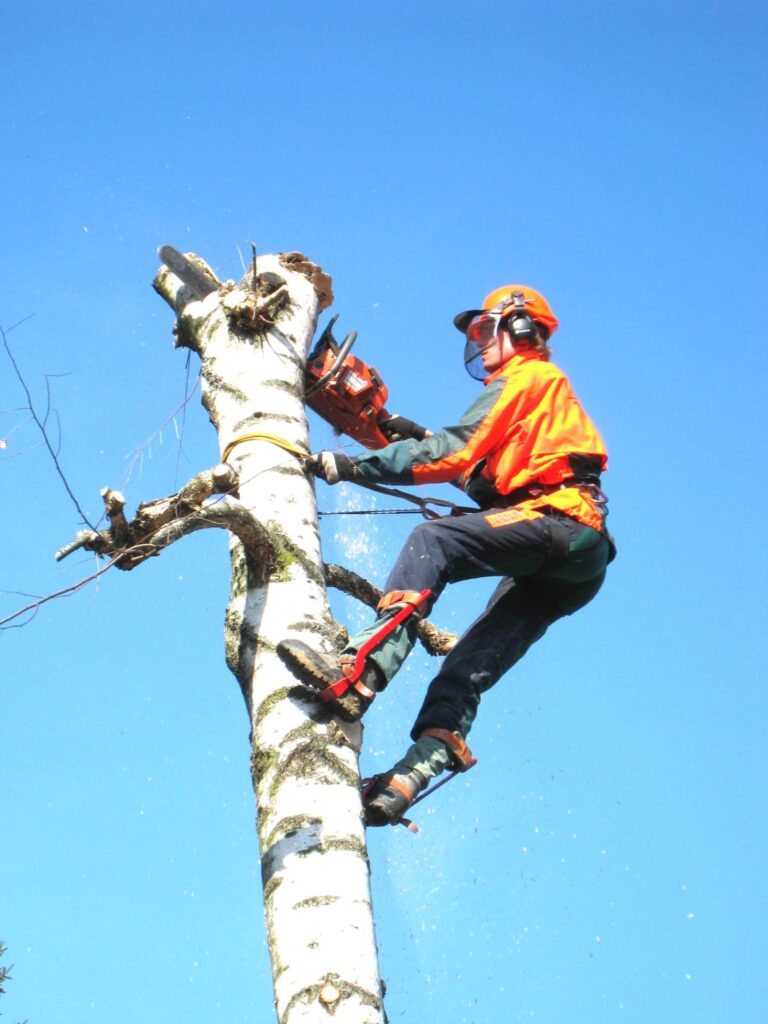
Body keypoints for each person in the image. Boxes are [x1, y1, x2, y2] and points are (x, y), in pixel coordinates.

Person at [278, 284, 616, 827]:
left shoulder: (531, 376)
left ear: (522, 329)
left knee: (434, 542)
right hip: (574, 560)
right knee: (468, 664)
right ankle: (411, 777)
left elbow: (456, 450)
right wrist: (395, 435)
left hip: (563, 519)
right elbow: (479, 475)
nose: (480, 346)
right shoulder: (541, 407)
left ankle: (359, 674)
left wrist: (353, 467)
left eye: (486, 332)